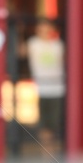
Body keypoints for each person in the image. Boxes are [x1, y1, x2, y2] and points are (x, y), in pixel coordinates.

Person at [26, 18, 65, 148]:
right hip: (41, 88)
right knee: (43, 124)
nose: (44, 30)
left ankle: (52, 152)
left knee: (55, 123)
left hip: (58, 88)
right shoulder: (32, 44)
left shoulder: (58, 45)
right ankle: (47, 153)